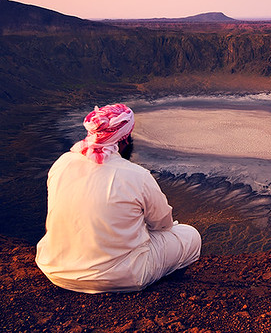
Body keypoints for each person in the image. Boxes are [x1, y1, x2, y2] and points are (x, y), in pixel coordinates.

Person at [35, 103, 201, 293]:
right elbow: (163, 224)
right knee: (190, 236)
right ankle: (166, 289)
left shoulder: (62, 163)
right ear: (123, 141)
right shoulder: (137, 175)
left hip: (56, 271)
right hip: (120, 277)